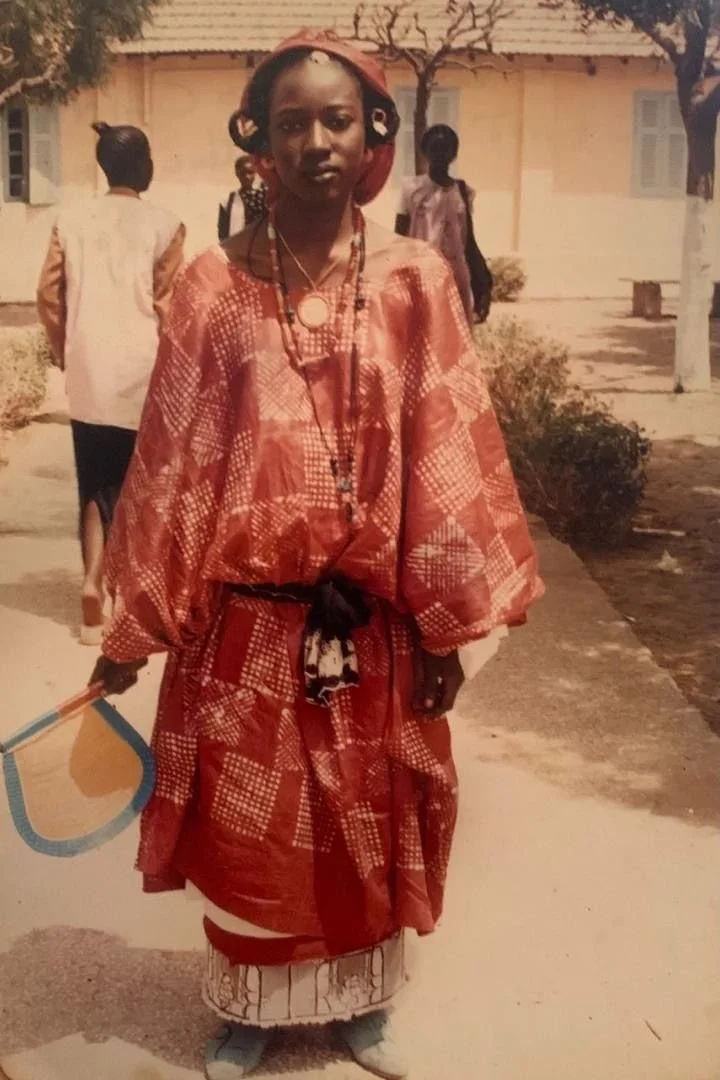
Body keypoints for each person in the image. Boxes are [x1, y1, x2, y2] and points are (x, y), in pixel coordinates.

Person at [89, 30, 542, 1080]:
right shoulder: (210, 290)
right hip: (245, 628)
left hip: (373, 628)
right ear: (258, 142)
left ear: (374, 132)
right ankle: (249, 1010)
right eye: (291, 122)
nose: (316, 141)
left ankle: (362, 1007)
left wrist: (446, 627)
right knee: (252, 836)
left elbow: (451, 450)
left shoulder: (418, 281)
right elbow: (170, 469)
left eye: (337, 119)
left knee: (363, 823)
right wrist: (136, 630)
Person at [36, 122, 185, 645]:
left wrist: (64, 349)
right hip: (142, 371)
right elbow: (169, 306)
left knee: (93, 480)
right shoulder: (166, 225)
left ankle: (92, 583)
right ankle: (124, 592)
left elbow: (49, 296)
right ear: (144, 166)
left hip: (88, 370)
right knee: (135, 483)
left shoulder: (71, 219)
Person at [396, 123, 492, 325]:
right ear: (426, 151)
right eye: (435, 149)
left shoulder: (463, 192)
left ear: (453, 155)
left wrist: (483, 280)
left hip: (456, 278)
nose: (440, 155)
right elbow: (399, 240)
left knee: (454, 342)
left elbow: (469, 240)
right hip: (420, 276)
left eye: (445, 149)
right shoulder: (411, 189)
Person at [217, 154, 268, 240]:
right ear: (237, 173)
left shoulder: (263, 196)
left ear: (255, 172)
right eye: (243, 173)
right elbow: (222, 232)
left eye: (250, 172)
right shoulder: (228, 201)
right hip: (236, 248)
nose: (247, 177)